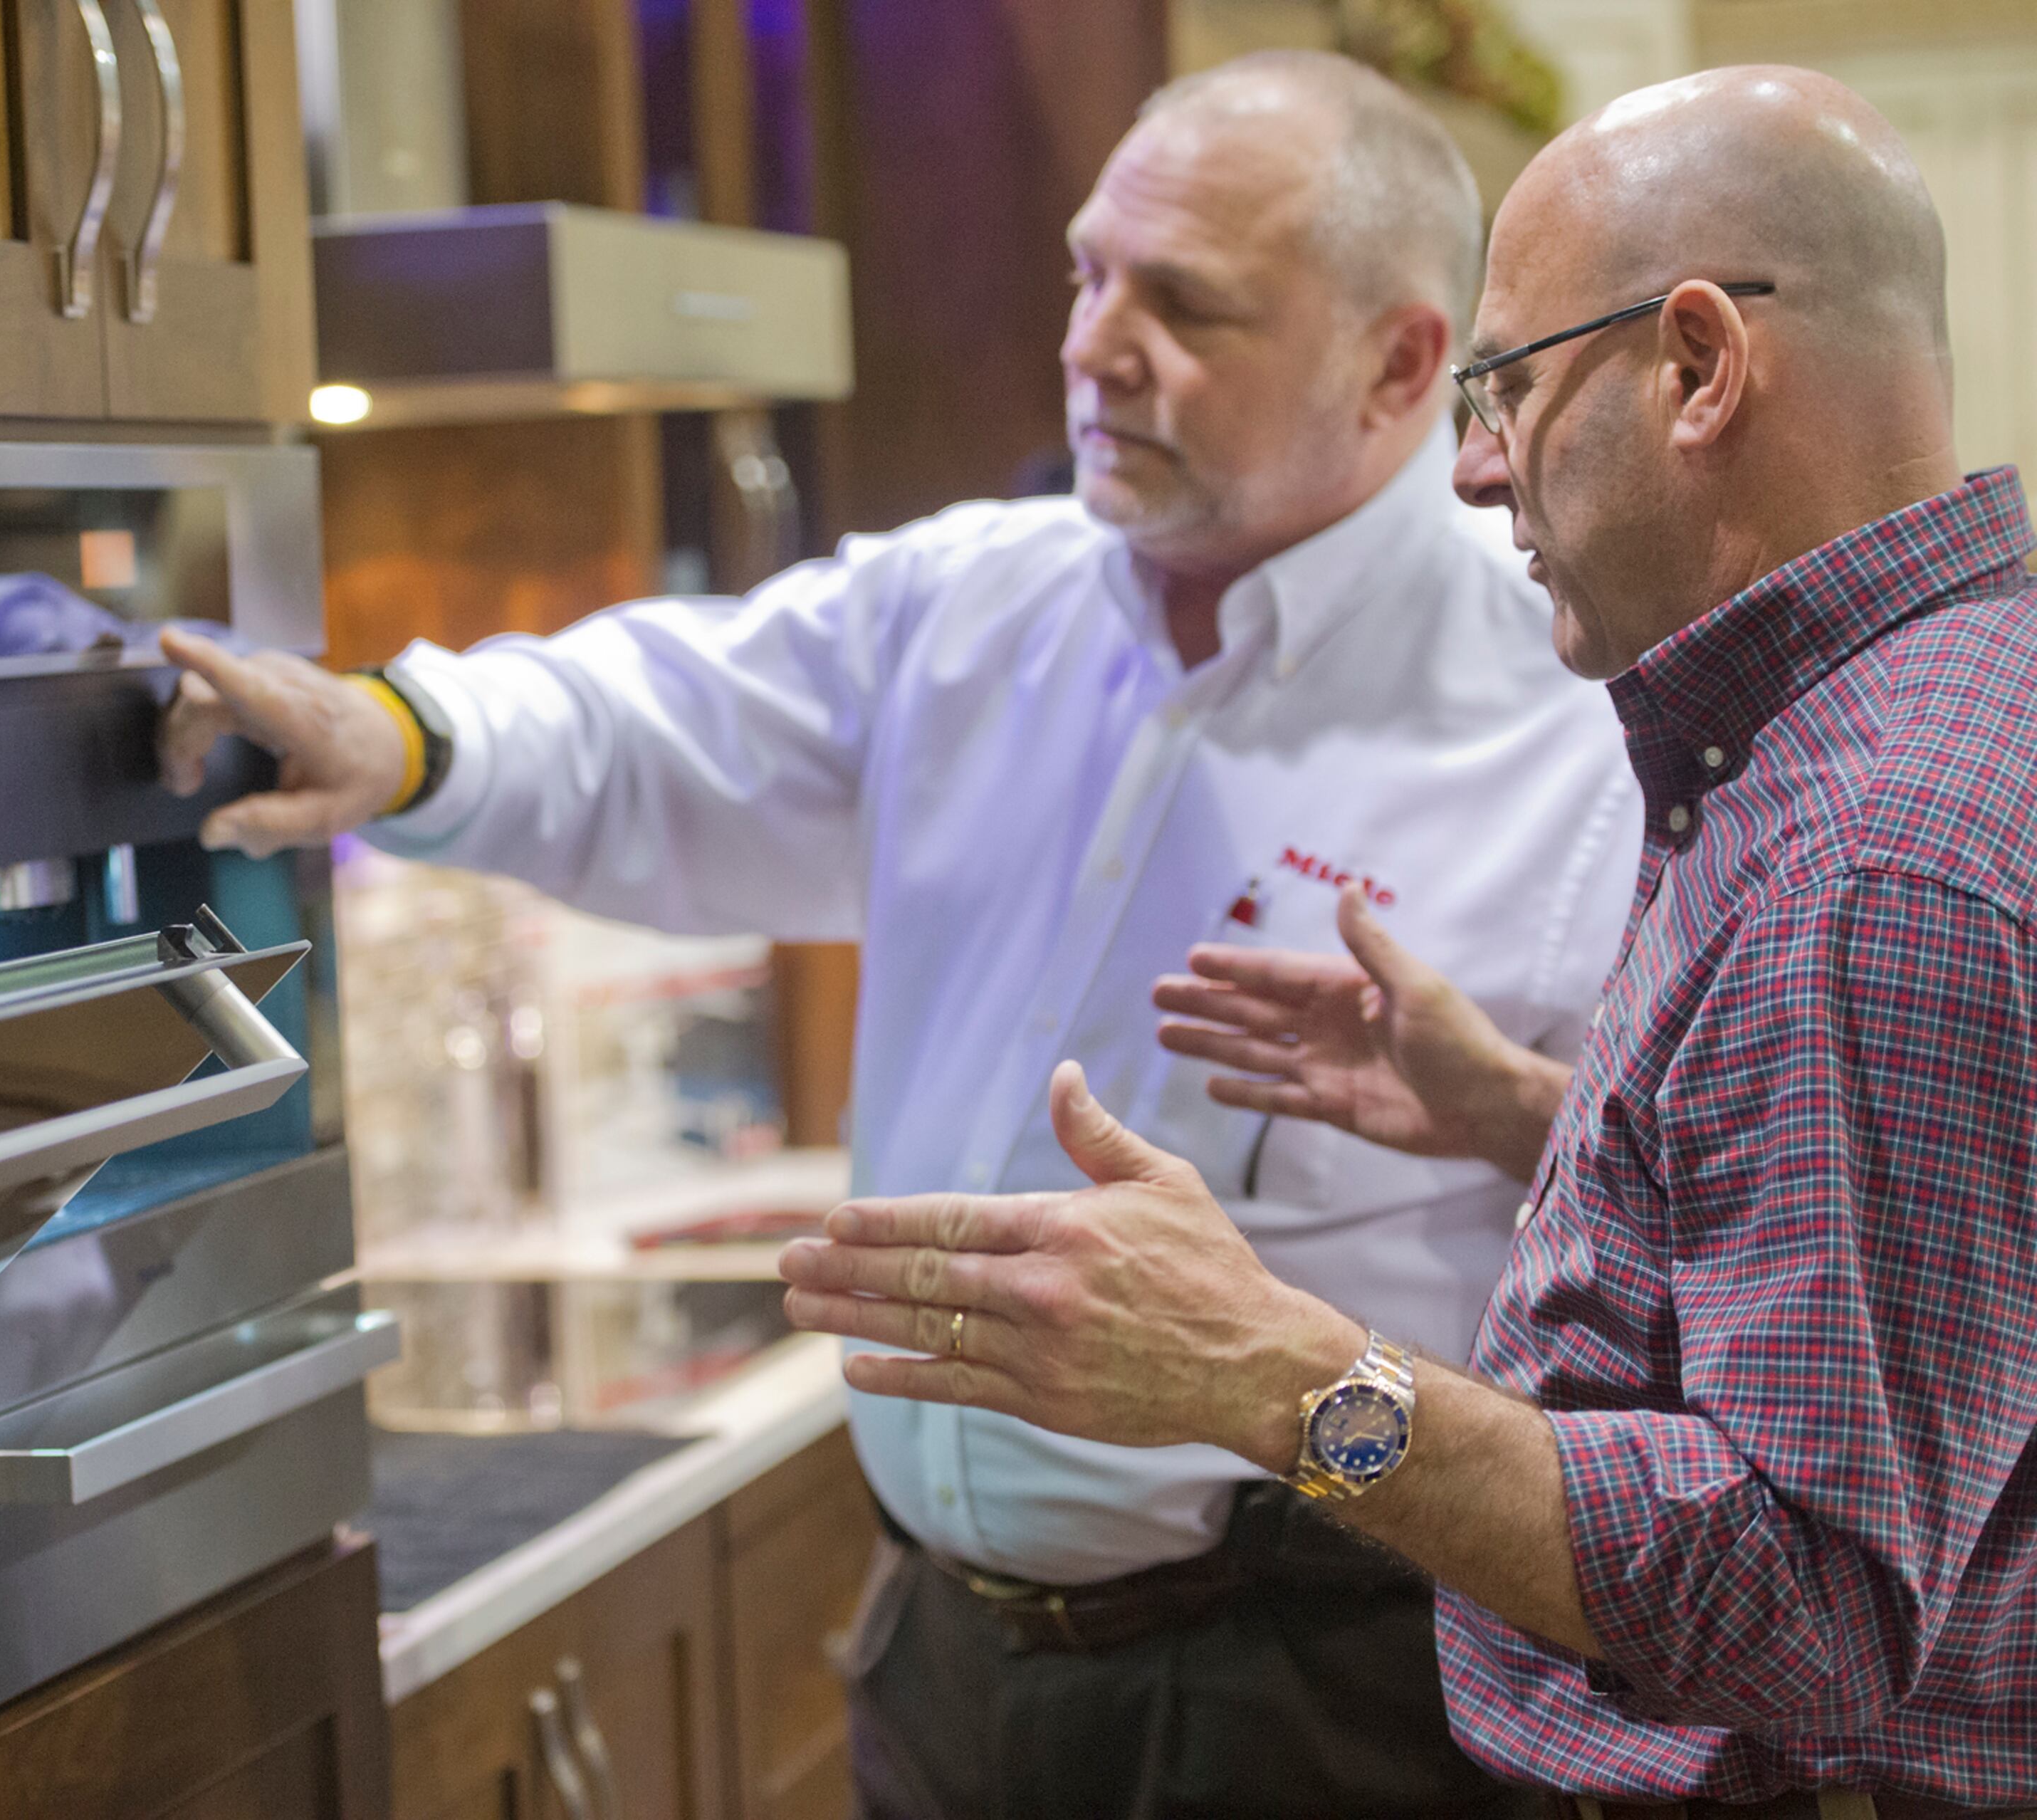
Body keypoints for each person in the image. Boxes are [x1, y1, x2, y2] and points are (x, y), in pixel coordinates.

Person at [159, 51, 1635, 1817]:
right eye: (1091, 273)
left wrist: (1503, 1112)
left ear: (1401, 363)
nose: (1096, 344)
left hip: (1321, 1701)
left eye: (1186, 306)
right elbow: (655, 721)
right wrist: (394, 734)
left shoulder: (1576, 710)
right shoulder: (971, 604)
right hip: (946, 1671)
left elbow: (1697, 1236)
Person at [777, 63, 2037, 1820]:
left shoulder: (1865, 865)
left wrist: (1275, 1375)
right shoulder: (1943, 707)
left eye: (1506, 391)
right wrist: (1527, 1112)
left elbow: (1804, 1617)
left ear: (1697, 368)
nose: (1469, 469)